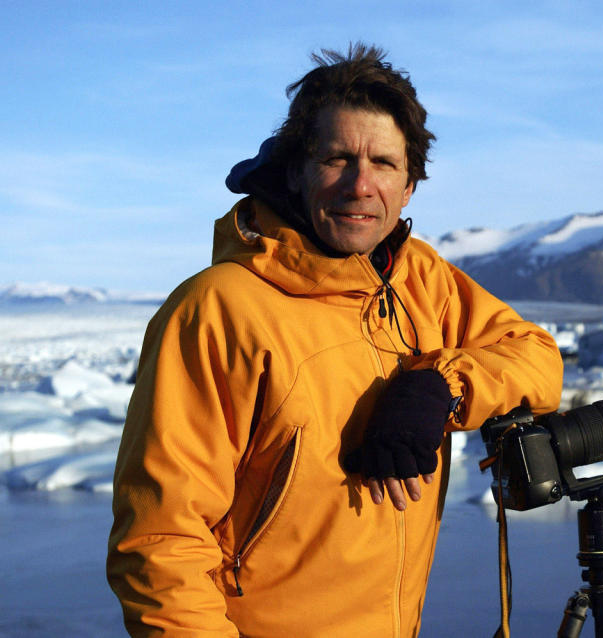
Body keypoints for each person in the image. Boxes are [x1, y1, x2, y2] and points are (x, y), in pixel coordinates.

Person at [106, 44, 563, 637]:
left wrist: (440, 387)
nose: (360, 185)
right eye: (337, 159)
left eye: (384, 164)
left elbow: (534, 357)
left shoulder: (417, 278)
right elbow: (161, 543)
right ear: (296, 170)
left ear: (410, 187)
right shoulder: (218, 310)